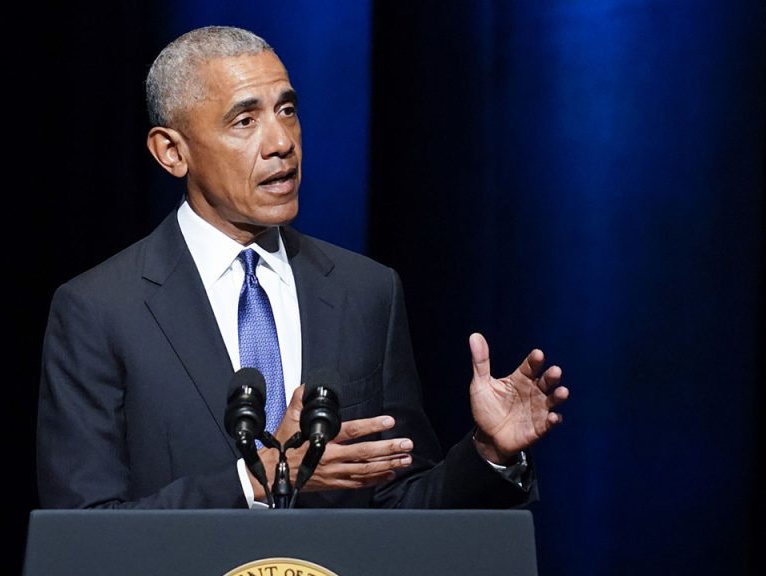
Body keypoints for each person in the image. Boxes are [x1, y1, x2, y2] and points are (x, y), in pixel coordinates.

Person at [36, 25, 568, 509]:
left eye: (287, 110)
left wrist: (490, 453)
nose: (281, 143)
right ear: (172, 152)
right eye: (245, 120)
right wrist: (257, 480)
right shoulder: (100, 310)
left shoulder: (367, 291)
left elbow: (400, 506)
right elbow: (83, 530)